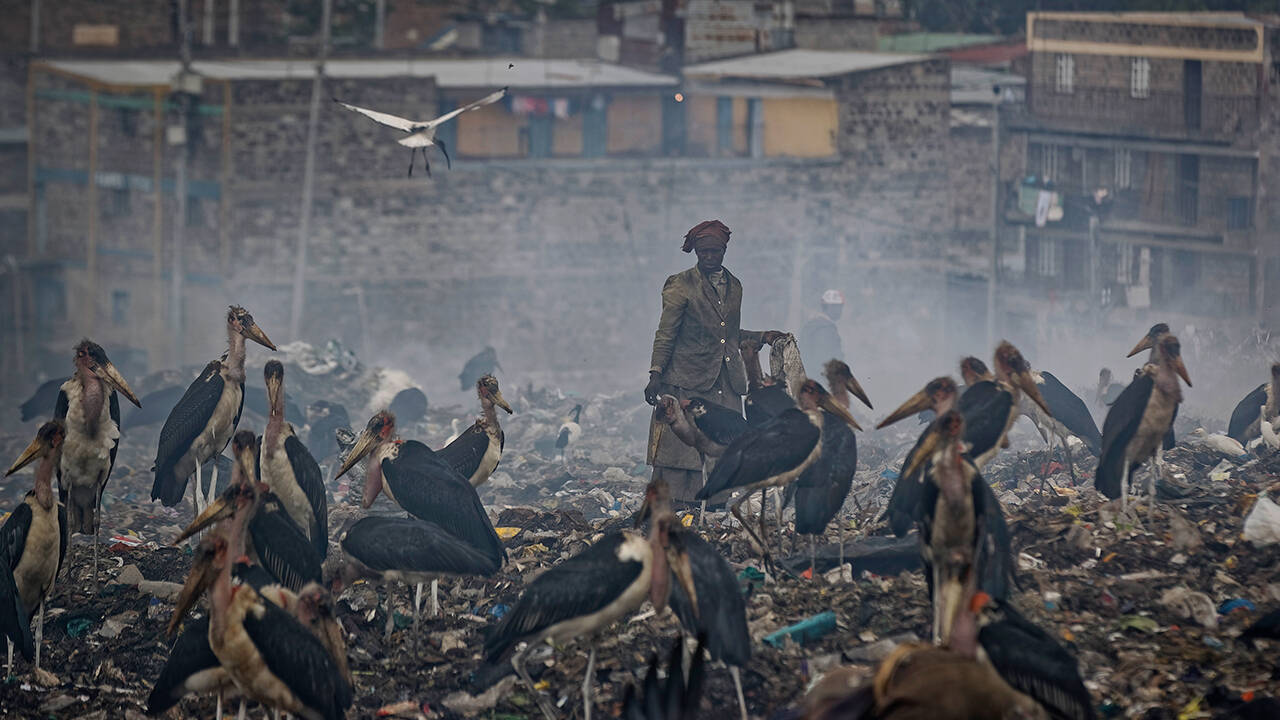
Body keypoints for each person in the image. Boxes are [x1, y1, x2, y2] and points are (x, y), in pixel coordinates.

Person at [644, 220, 782, 503]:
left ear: (724, 251)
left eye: (714, 252)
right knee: (681, 449)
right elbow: (666, 333)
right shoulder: (680, 285)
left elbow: (728, 335)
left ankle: (715, 504)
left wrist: (763, 336)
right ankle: (678, 506)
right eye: (703, 252)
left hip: (726, 381)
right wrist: (655, 373)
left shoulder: (735, 286)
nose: (708, 257)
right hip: (687, 379)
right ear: (695, 252)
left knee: (722, 445)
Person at [799, 289, 845, 367]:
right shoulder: (826, 329)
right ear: (831, 307)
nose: (840, 310)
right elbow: (823, 359)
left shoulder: (811, 325)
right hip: (821, 376)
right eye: (838, 307)